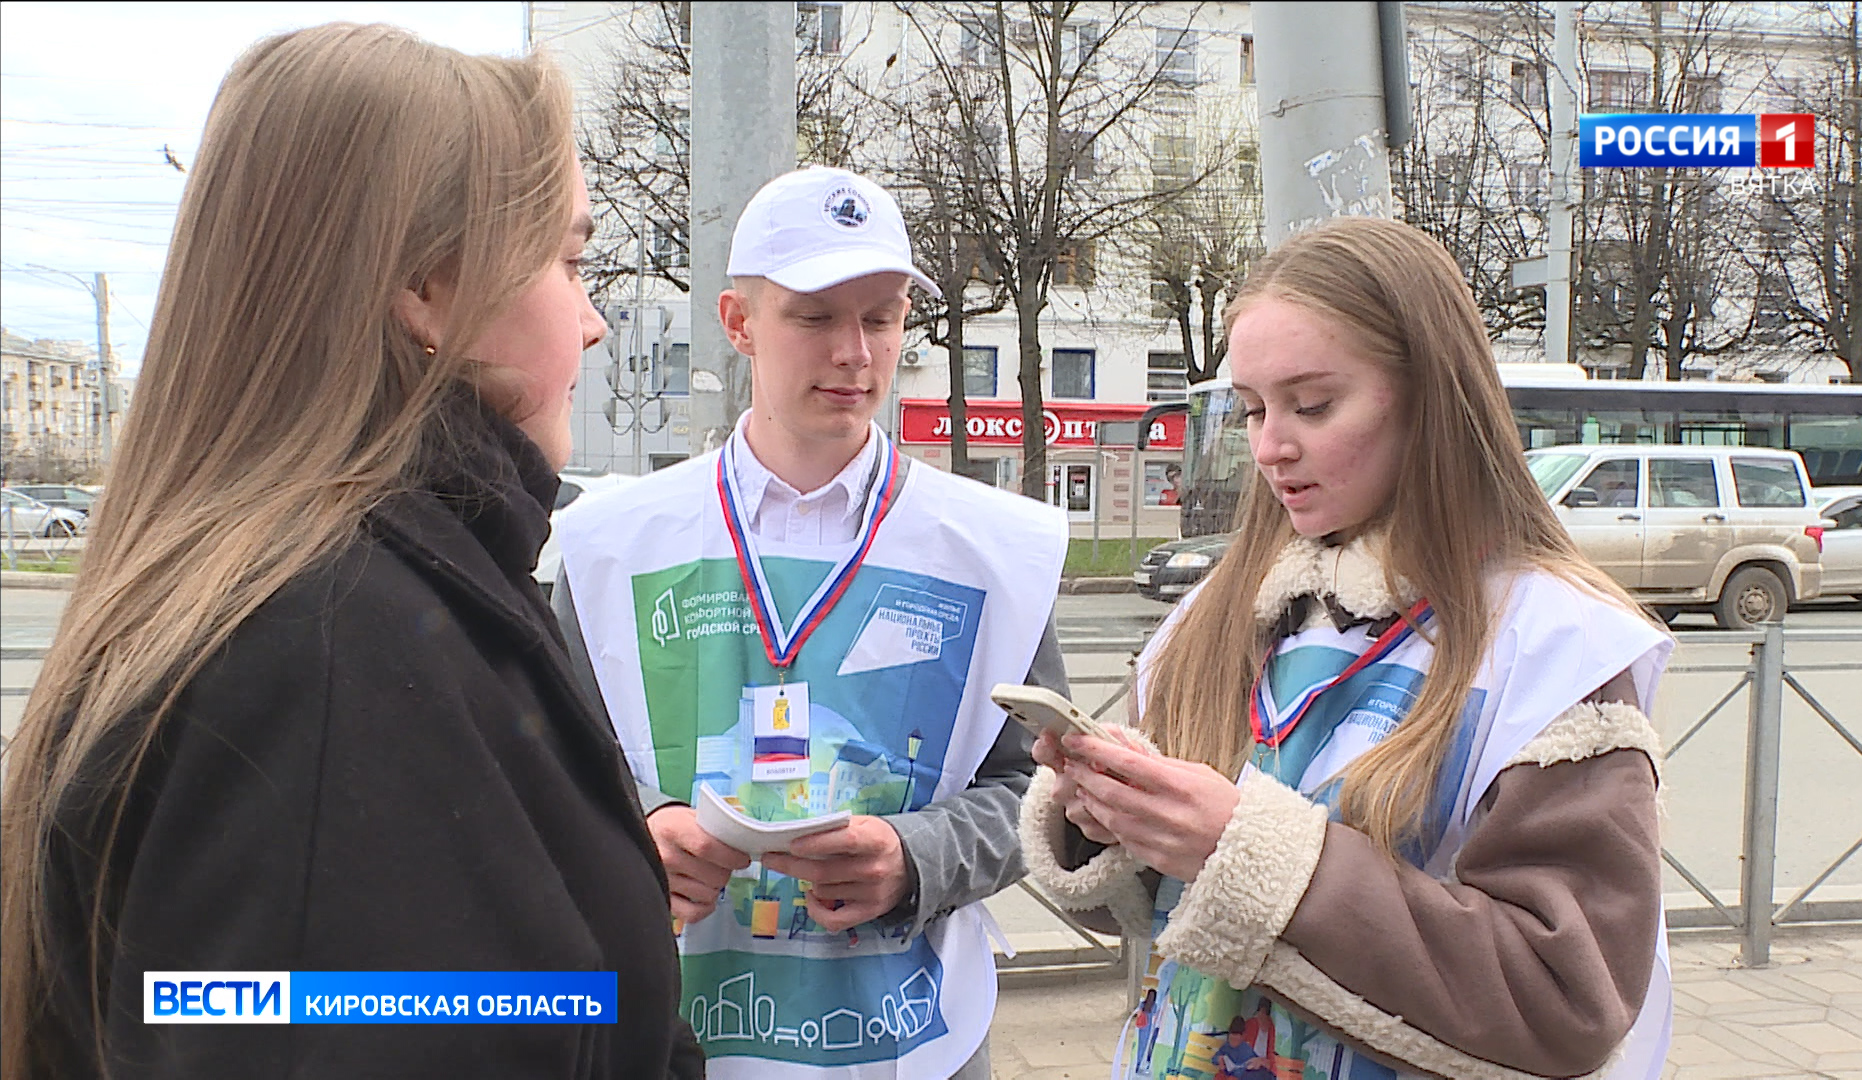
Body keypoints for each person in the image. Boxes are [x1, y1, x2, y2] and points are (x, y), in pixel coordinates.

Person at [0, 24, 693, 1079]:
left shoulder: (358, 605)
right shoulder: (328, 660)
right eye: (568, 260)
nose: (594, 323)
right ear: (425, 288)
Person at [1020, 217, 1673, 1080]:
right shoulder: (1214, 616)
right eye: (1252, 409)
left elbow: (1565, 1001)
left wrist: (1245, 849)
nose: (1269, 447)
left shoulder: (1555, 646)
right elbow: (1148, 916)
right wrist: (1108, 820)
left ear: (1430, 397)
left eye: (1313, 405)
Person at [551, 166, 1068, 1079]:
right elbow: (542, 774)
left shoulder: (994, 550)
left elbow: (1041, 792)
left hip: (917, 1042)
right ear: (740, 323)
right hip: (672, 1039)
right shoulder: (609, 547)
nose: (857, 355)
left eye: (883, 316)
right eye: (816, 316)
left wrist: (918, 857)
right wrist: (637, 831)